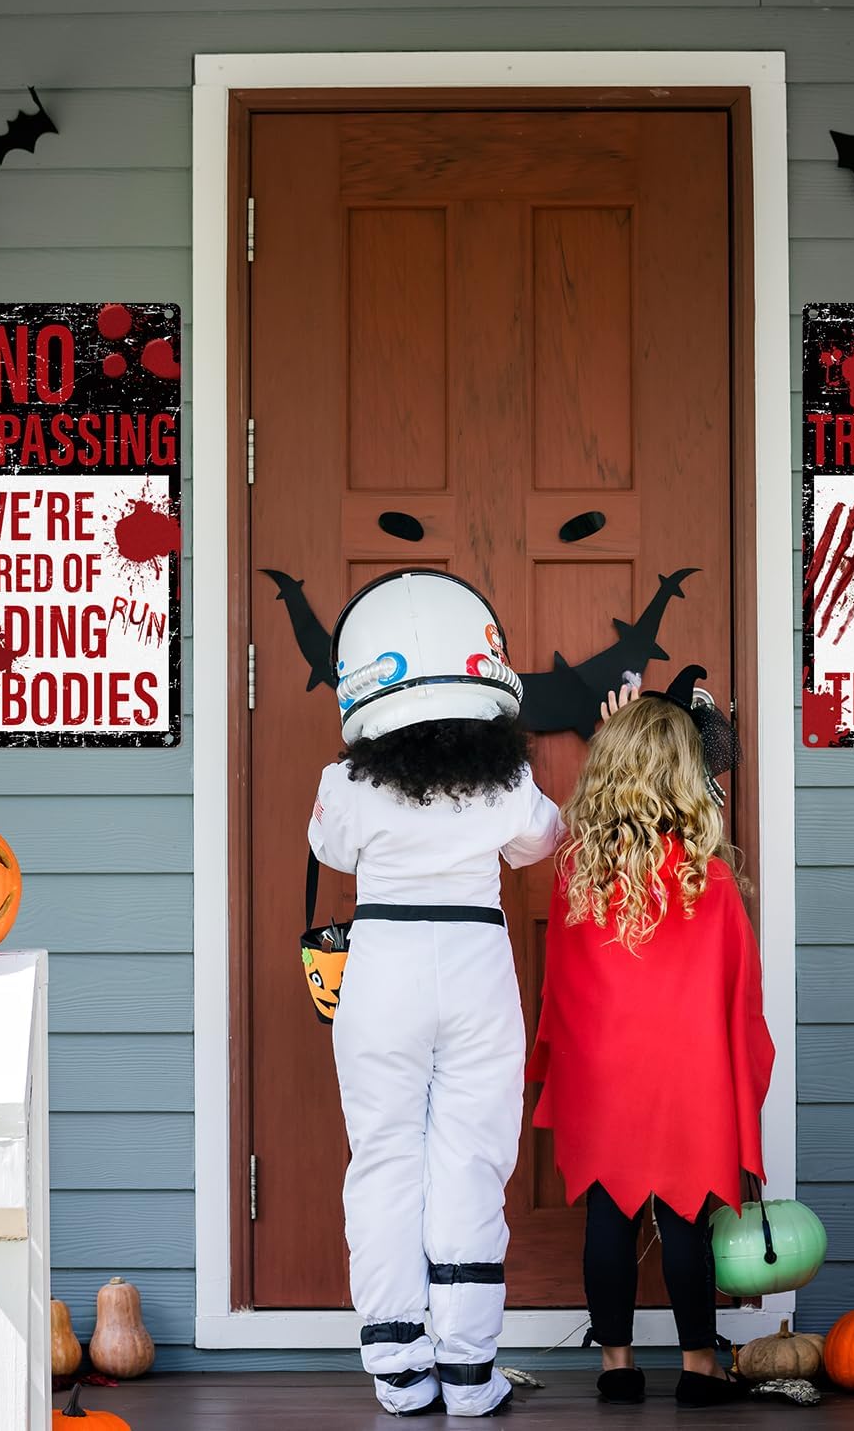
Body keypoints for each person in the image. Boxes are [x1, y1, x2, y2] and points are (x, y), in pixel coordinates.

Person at [309, 570, 561, 1418]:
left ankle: (398, 1371)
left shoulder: (346, 783)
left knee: (382, 1156)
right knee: (472, 1159)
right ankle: (466, 1368)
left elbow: (334, 854)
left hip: (383, 961)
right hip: (476, 959)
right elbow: (540, 842)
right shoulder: (504, 784)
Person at [527, 668, 775, 1408]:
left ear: (610, 769)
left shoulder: (577, 871)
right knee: (687, 1216)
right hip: (689, 1079)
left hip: (605, 1075)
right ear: (686, 778)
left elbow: (562, 991)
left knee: (607, 1213)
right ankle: (700, 1369)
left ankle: (616, 1366)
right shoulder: (711, 879)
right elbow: (741, 1002)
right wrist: (741, 1079)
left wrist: (616, 735)